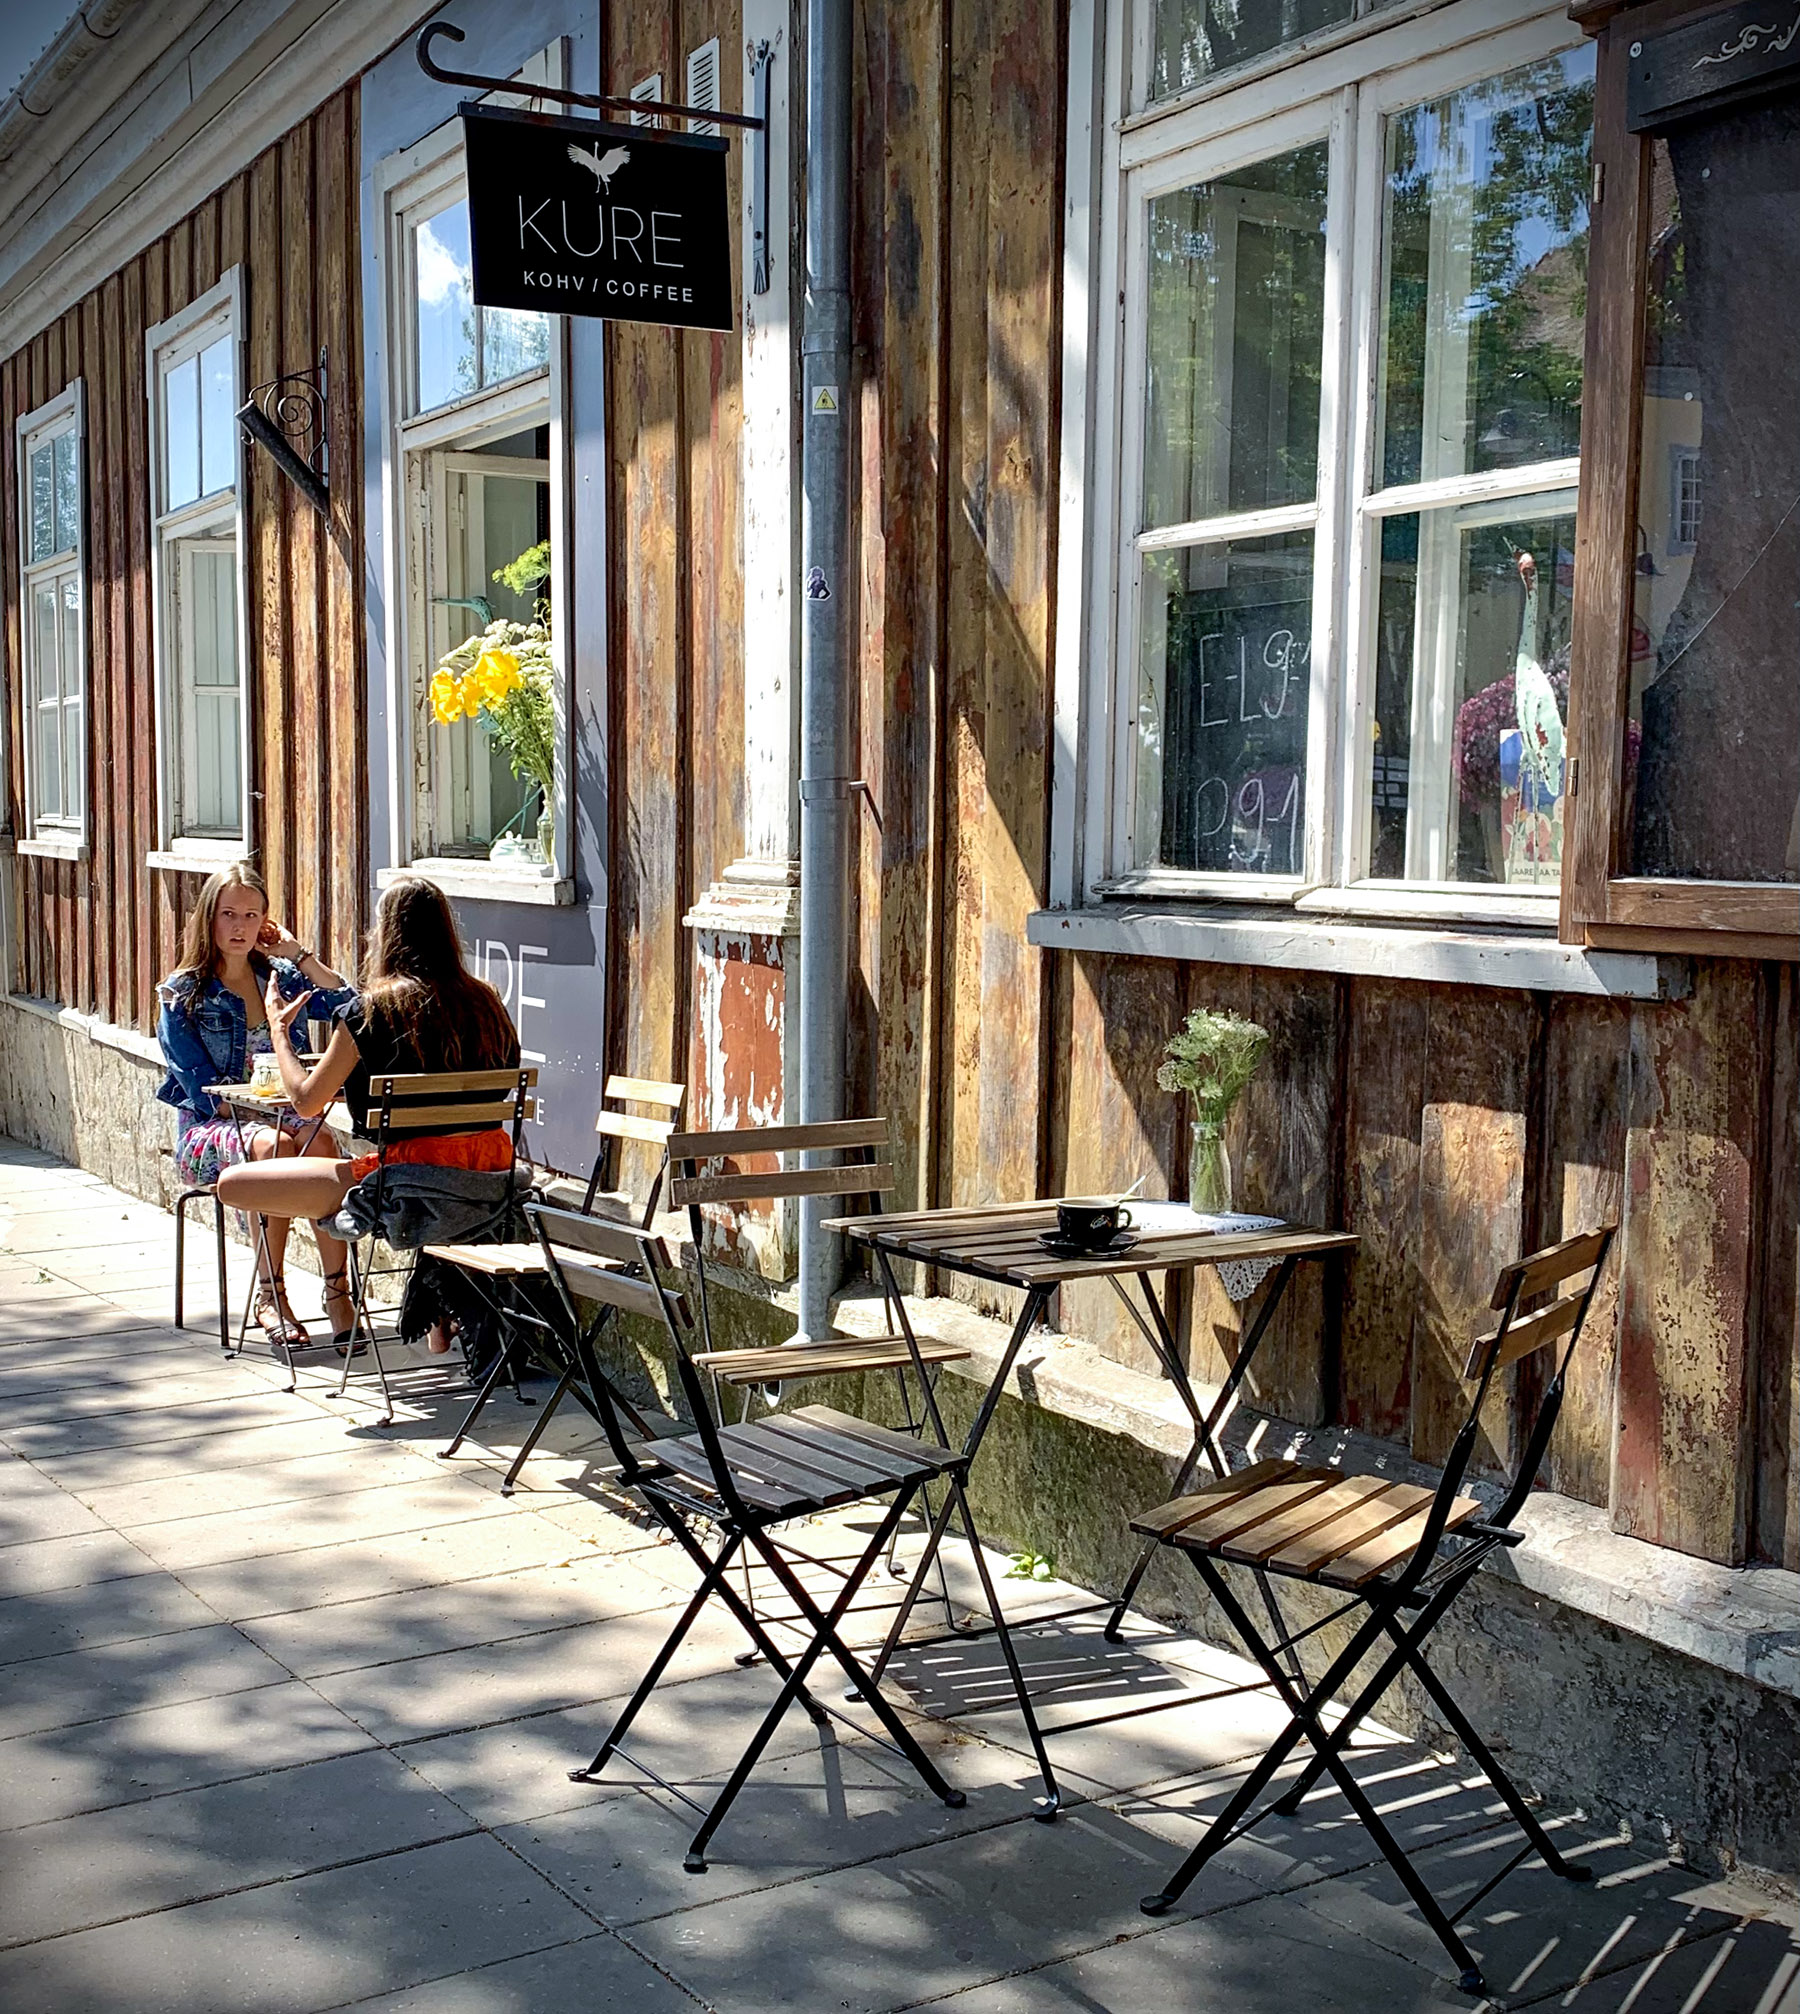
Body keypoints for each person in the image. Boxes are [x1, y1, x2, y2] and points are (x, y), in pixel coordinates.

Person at [216, 876, 522, 1355]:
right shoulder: (488, 1002)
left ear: (387, 935)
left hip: (407, 1183)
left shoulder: (372, 1010)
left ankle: (310, 1294)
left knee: (235, 1183)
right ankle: (439, 1305)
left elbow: (305, 1102)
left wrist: (279, 1031)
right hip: (489, 1178)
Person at [156, 864, 356, 1348]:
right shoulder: (182, 995)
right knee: (275, 1148)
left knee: (324, 1142)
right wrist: (265, 1108)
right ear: (209, 919)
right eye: (228, 914)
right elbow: (203, 1091)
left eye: (251, 915)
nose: (240, 926)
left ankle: (337, 1293)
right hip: (210, 1130)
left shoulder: (282, 978)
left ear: (266, 921)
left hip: (282, 1120)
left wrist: (298, 954)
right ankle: (271, 1295)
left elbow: (351, 1007)